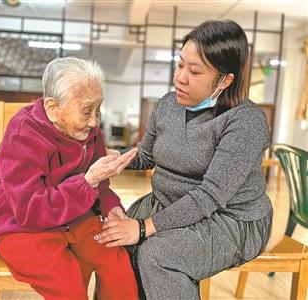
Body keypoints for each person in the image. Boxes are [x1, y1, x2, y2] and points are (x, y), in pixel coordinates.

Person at [96, 20, 273, 299]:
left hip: (228, 219)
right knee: (112, 240)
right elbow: (146, 155)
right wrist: (111, 158)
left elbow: (210, 196)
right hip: (168, 203)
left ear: (225, 81)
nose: (180, 78)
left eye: (195, 71)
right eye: (180, 65)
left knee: (158, 255)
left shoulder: (246, 122)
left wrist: (143, 228)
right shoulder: (168, 104)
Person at [0, 57, 139, 299]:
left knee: (116, 260)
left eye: (98, 110)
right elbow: (30, 209)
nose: (95, 121)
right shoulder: (23, 134)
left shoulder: (89, 130)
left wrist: (111, 206)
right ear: (52, 108)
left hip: (73, 214)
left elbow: (101, 187)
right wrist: (87, 182)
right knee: (67, 280)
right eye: (87, 111)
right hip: (19, 223)